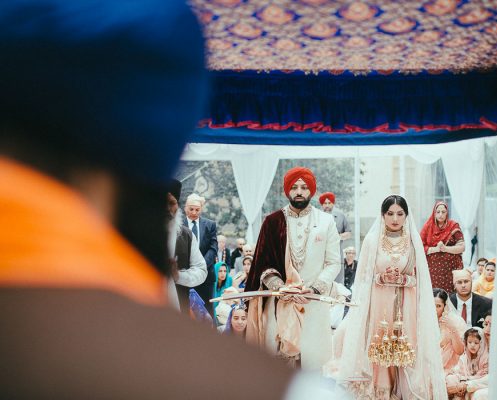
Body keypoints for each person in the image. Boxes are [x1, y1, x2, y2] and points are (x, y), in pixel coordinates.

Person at [0, 0, 300, 397]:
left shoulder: (186, 234)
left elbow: (198, 268)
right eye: (178, 204)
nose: (180, 209)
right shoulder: (254, 386)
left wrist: (182, 278)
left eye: (185, 206)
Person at [325, 195, 446, 399]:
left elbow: (420, 280)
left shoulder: (413, 242)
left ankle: (403, 391)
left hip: (405, 302)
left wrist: (403, 280)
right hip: (378, 302)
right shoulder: (372, 241)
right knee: (379, 346)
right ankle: (380, 392)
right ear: (383, 215)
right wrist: (381, 277)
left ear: (406, 216)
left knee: (404, 347)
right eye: (390, 214)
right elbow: (363, 277)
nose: (395, 219)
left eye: (400, 214)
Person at [245, 167, 341, 371]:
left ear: (312, 191)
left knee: (312, 364)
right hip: (282, 301)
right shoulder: (273, 221)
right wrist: (281, 287)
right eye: (294, 187)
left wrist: (314, 289)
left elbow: (333, 262)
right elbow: (263, 261)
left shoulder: (326, 221)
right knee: (280, 364)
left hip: (312, 302)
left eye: (304, 187)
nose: (299, 191)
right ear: (287, 191)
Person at [167, 179, 208, 313]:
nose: (167, 209)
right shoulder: (136, 234)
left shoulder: (186, 235)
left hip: (179, 307)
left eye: (171, 203)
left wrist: (178, 275)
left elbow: (201, 270)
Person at [184, 193, 218, 316]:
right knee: (185, 310)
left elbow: (213, 248)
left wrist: (201, 265)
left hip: (206, 276)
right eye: (191, 209)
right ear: (185, 208)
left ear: (201, 209)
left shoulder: (210, 225)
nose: (194, 212)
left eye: (197, 210)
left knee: (207, 311)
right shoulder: (178, 225)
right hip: (184, 275)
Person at [420, 201, 465, 293]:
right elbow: (420, 247)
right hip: (432, 272)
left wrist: (445, 248)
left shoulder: (453, 226)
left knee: (450, 298)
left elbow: (462, 247)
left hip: (451, 271)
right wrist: (435, 249)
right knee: (434, 296)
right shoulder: (428, 227)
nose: (441, 214)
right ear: (434, 213)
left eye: (443, 212)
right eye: (438, 212)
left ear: (447, 213)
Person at [446, 328, 489, 400]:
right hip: (464, 380)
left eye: (476, 343)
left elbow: (483, 375)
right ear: (466, 343)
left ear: (481, 344)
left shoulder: (485, 358)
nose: (472, 345)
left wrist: (466, 384)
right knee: (450, 379)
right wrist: (461, 383)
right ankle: (458, 392)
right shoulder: (464, 357)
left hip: (476, 382)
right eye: (470, 342)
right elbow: (459, 371)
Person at [319, 191, 352, 283]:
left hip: (337, 254)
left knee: (338, 283)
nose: (327, 205)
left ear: (333, 203)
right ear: (322, 204)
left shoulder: (340, 216)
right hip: (320, 255)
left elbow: (349, 233)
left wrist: (337, 237)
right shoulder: (317, 216)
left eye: (329, 203)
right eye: (325, 203)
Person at [434, 288, 467, 374]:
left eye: (438, 306)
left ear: (445, 306)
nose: (434, 309)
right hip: (428, 364)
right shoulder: (422, 321)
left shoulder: (456, 321)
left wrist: (452, 328)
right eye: (432, 305)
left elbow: (460, 351)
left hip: (451, 367)